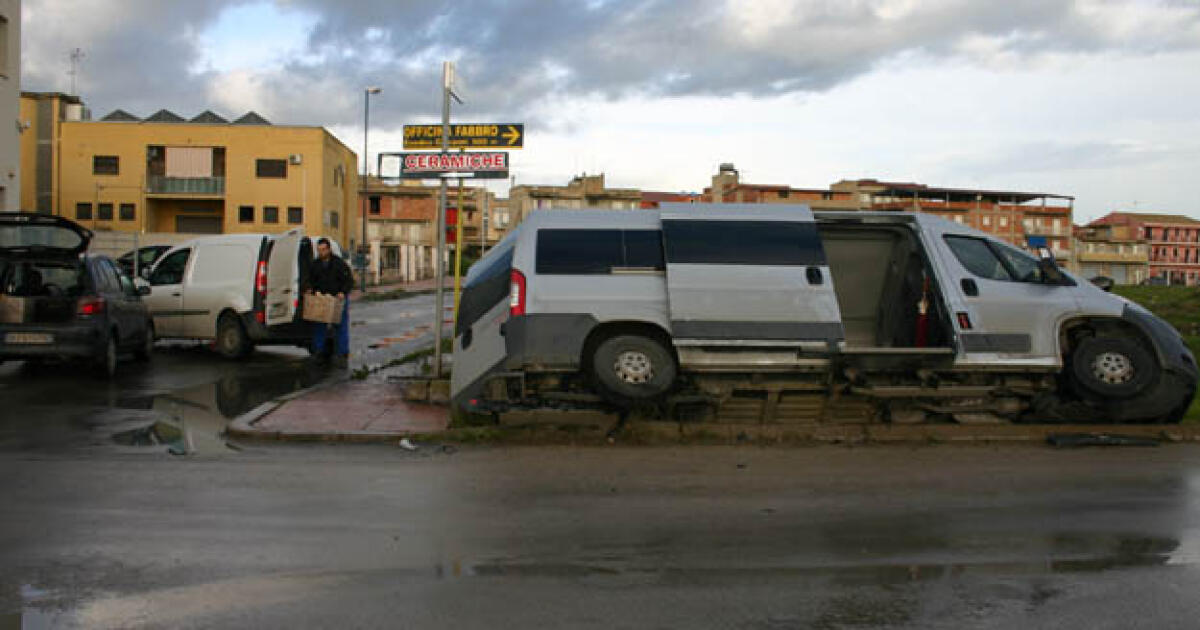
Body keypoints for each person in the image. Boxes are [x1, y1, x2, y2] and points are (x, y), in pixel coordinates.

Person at [304, 238, 354, 367]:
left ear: (329, 249)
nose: (321, 252)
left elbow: (348, 280)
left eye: (323, 249)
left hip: (338, 298)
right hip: (322, 299)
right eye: (319, 250)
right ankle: (319, 351)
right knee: (319, 326)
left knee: (340, 325)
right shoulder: (315, 265)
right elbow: (310, 280)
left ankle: (342, 352)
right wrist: (310, 289)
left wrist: (343, 292)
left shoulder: (339, 264)